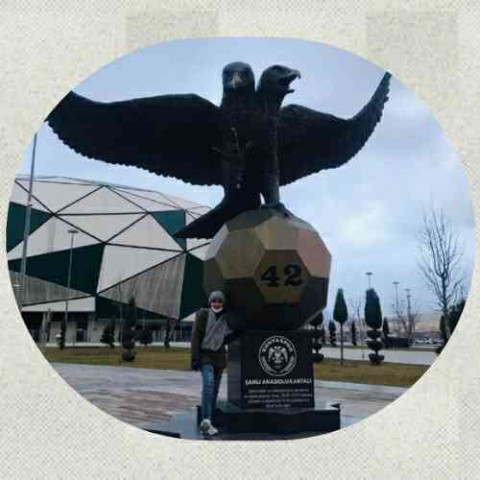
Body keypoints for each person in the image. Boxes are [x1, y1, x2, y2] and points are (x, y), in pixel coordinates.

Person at [190, 290, 236, 437]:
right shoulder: (203, 315)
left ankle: (210, 421)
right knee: (208, 385)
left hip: (219, 357)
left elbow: (228, 335)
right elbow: (196, 336)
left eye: (219, 301)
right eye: (214, 301)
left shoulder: (226, 318)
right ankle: (206, 420)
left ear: (223, 303)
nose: (216, 304)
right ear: (210, 302)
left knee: (214, 390)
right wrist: (195, 358)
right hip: (205, 355)